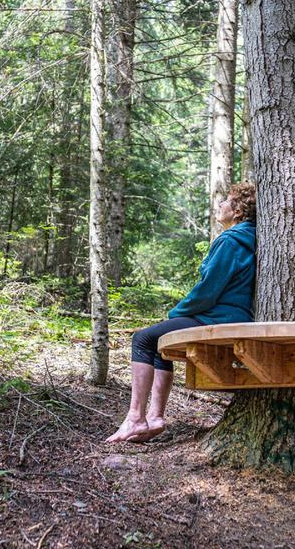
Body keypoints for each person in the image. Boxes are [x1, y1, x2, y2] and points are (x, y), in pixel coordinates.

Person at [106, 183, 257, 443]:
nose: (220, 204)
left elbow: (208, 291)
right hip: (233, 316)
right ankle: (153, 418)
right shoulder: (250, 239)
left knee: (142, 339)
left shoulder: (230, 241)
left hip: (217, 317)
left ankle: (135, 418)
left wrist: (177, 312)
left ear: (239, 210)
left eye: (227, 201)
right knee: (157, 341)